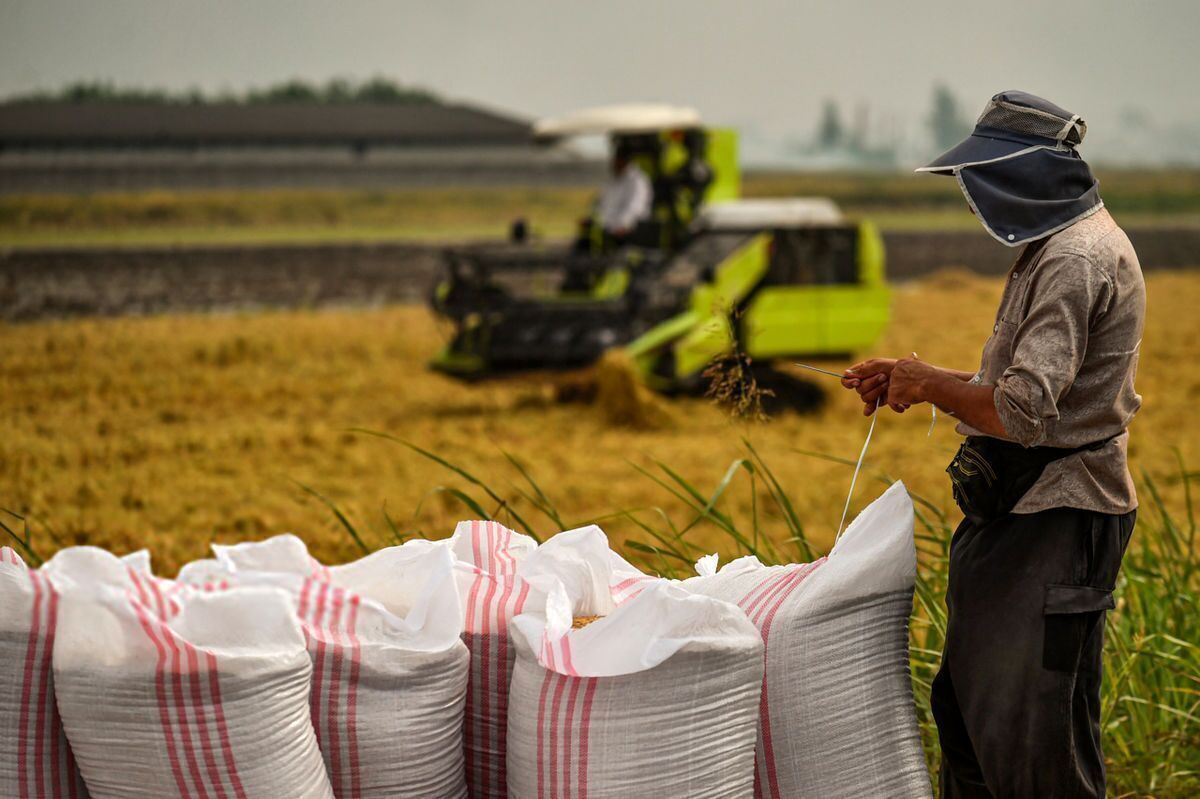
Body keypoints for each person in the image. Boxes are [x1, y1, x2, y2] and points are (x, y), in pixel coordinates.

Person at [841, 91, 1145, 798]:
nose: (976, 196)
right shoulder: (1059, 246)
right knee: (973, 714)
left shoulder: (1075, 259)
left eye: (984, 178)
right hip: (1020, 513)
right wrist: (914, 379)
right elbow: (1010, 386)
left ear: (1029, 174)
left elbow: (1022, 410)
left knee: (1032, 743)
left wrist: (932, 383)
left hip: (1056, 518)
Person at [595, 144, 652, 241]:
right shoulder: (613, 180)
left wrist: (623, 225)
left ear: (623, 161)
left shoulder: (637, 181)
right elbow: (605, 203)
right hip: (609, 229)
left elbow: (636, 206)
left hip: (629, 231)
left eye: (616, 160)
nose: (613, 164)